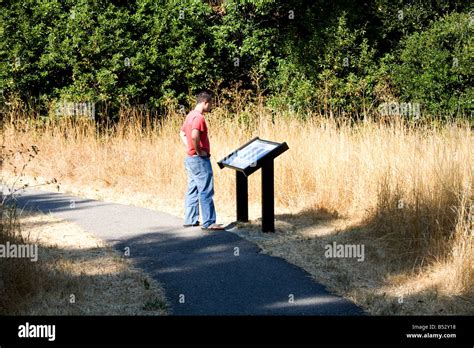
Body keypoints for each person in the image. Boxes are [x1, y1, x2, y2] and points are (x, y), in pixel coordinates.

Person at [179, 91, 225, 231]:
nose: (211, 107)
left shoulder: (189, 115)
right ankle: (209, 222)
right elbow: (194, 135)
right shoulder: (199, 118)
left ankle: (190, 219)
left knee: (192, 188)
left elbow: (182, 133)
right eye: (210, 104)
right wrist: (199, 150)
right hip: (199, 159)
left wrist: (189, 147)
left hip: (190, 159)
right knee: (206, 190)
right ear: (205, 102)